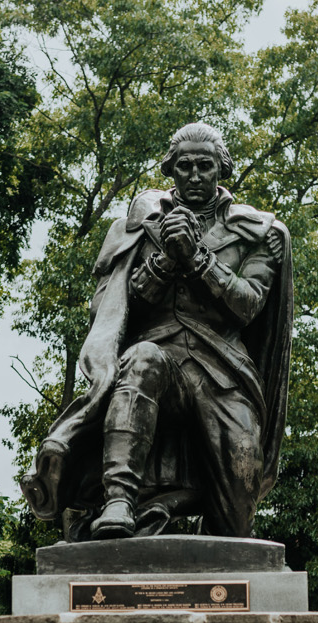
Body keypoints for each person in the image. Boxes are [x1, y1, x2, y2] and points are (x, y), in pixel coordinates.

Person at [20, 121, 292, 540]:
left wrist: (198, 259)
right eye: (185, 166)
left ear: (222, 168)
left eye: (205, 165)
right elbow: (120, 306)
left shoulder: (255, 232)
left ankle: (171, 504)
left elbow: (248, 306)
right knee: (141, 358)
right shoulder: (140, 226)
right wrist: (166, 259)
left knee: (237, 517)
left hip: (223, 370)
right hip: (156, 356)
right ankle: (118, 501)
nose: (196, 175)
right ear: (171, 170)